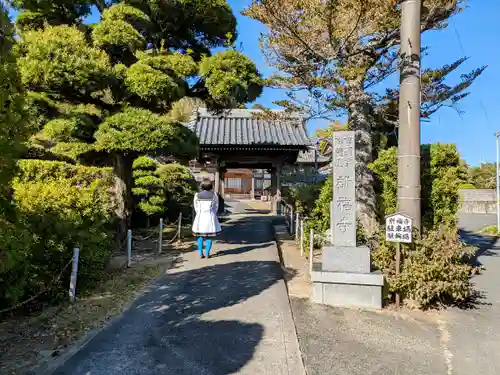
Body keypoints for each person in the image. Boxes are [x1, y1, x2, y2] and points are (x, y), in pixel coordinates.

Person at [192, 178, 221, 258]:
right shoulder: (214, 195)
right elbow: (216, 206)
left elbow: (196, 207)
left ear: (201, 185)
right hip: (210, 217)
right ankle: (208, 253)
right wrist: (213, 214)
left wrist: (199, 213)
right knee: (209, 236)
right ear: (211, 186)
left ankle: (201, 253)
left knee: (200, 236)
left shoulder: (197, 195)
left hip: (200, 217)